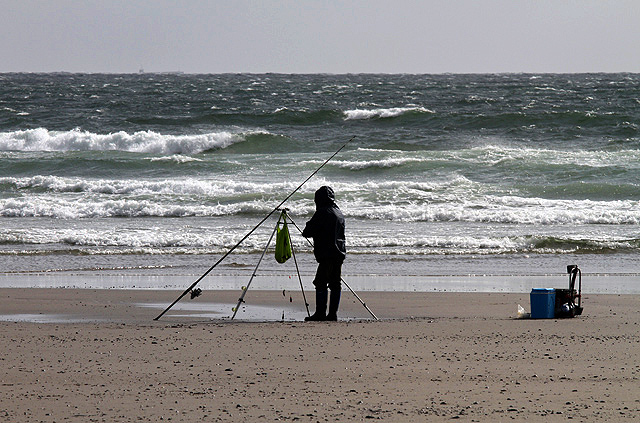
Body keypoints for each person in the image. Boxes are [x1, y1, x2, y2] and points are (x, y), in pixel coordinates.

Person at [302, 186, 346, 321]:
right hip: (339, 252)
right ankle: (332, 314)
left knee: (320, 282)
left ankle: (320, 313)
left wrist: (309, 224)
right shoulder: (338, 212)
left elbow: (307, 232)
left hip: (327, 253)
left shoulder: (322, 212)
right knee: (335, 283)